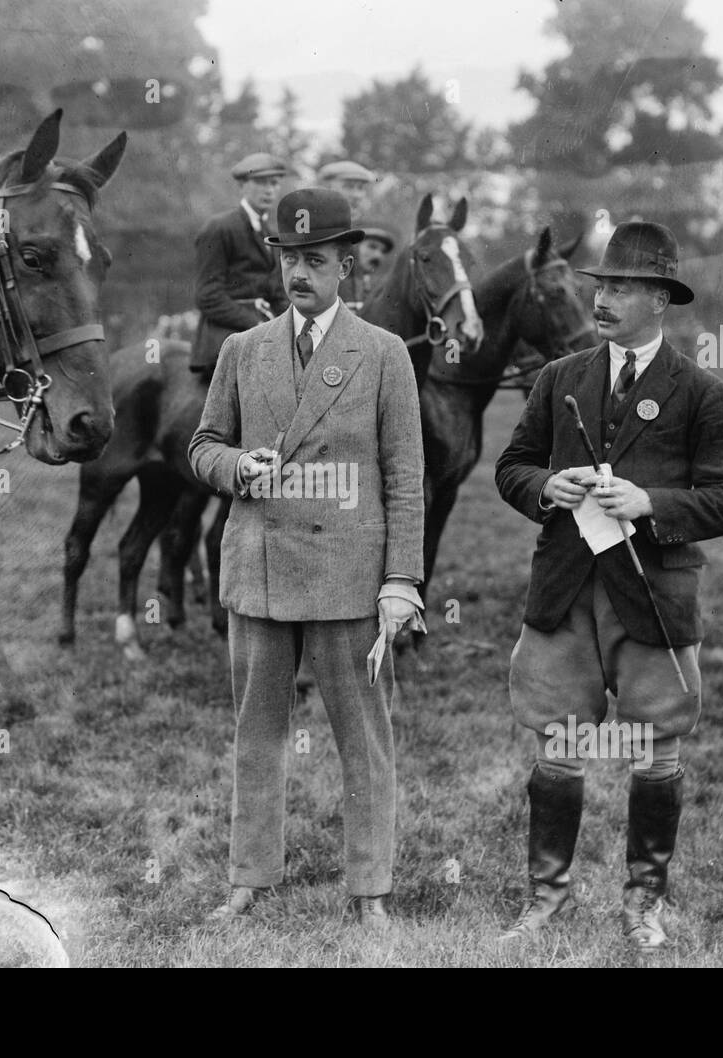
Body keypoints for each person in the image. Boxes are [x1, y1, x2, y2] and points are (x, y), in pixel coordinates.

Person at [494, 221, 723, 950]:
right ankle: (545, 899)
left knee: (657, 748)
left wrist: (652, 504)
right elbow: (510, 468)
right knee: (556, 743)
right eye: (599, 285)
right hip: (566, 591)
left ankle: (644, 904)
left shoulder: (700, 392)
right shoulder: (560, 378)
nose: (602, 299)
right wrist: (550, 484)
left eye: (621, 288)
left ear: (660, 300)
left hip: (653, 599)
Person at [189, 188, 425, 930]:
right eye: (289, 259)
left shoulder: (383, 354)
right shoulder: (242, 349)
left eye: (316, 260)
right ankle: (249, 878)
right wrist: (237, 470)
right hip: (259, 567)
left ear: (346, 268)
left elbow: (404, 478)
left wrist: (401, 581)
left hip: (348, 579)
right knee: (255, 735)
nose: (300, 273)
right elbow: (202, 447)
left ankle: (371, 890)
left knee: (365, 740)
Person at [190, 153, 292, 383]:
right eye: (261, 182)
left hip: (262, 331)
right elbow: (207, 296)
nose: (269, 190)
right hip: (224, 336)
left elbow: (276, 293)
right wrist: (255, 324)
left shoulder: (272, 234)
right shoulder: (219, 228)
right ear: (242, 186)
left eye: (274, 183)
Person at [318, 160, 377, 311]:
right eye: (349, 187)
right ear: (326, 189)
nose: (357, 195)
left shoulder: (351, 230)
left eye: (361, 188)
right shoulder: (315, 230)